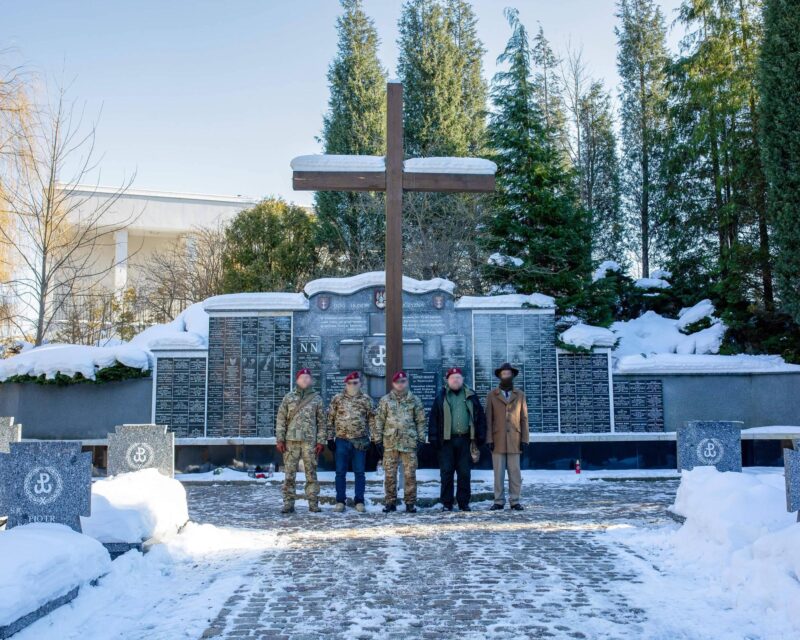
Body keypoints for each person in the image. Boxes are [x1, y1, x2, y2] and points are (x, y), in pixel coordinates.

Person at [428, 367, 486, 512]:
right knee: (446, 472)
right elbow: (433, 419)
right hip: (446, 441)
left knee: (464, 473)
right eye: (453, 378)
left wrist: (480, 436)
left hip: (466, 440)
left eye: (458, 377)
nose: (456, 380)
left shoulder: (471, 396)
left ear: (462, 380)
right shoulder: (441, 396)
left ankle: (463, 502)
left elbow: (480, 417)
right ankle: (447, 503)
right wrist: (433, 438)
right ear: (447, 380)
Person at [373, 371, 426, 513]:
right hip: (390, 442)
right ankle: (390, 502)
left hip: (409, 442)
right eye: (398, 382)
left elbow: (420, 421)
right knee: (390, 474)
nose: (400, 384)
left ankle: (410, 503)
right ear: (393, 384)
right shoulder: (385, 400)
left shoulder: (414, 400)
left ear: (407, 382)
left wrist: (421, 438)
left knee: (410, 474)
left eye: (403, 381)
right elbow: (379, 420)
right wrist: (377, 439)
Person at [275, 367, 326, 514]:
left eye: (307, 377)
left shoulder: (317, 399)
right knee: (289, 474)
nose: (305, 379)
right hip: (291, 442)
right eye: (302, 377)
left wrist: (321, 441)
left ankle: (313, 503)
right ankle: (288, 504)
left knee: (311, 474)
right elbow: (281, 419)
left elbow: (322, 422)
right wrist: (280, 439)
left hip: (310, 442)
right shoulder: (288, 398)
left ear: (311, 380)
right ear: (297, 380)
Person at [326, 371, 374, 513]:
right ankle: (340, 501)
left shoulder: (366, 400)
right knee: (340, 472)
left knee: (359, 472)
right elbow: (330, 420)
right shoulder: (337, 399)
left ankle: (359, 501)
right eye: (350, 383)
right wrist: (329, 438)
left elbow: (372, 420)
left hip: (360, 441)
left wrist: (375, 440)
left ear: (360, 384)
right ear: (345, 384)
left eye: (355, 382)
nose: (352, 385)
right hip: (342, 440)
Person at [485, 362, 529, 511]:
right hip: (497, 440)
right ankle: (498, 500)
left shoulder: (520, 395)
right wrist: (489, 439)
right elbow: (488, 419)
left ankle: (515, 500)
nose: (506, 376)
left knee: (515, 472)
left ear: (512, 376)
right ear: (499, 376)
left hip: (514, 440)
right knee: (498, 473)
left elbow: (524, 418)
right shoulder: (492, 395)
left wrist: (524, 439)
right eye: (503, 374)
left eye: (508, 374)